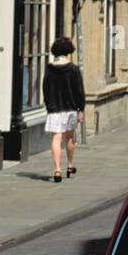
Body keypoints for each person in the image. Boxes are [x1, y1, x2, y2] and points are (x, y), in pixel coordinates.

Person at [43, 36, 85, 182]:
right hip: (70, 108)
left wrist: (49, 105)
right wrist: (81, 109)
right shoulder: (73, 69)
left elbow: (45, 88)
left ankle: (57, 170)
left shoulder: (49, 68)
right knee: (69, 138)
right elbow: (79, 90)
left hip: (54, 108)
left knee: (56, 138)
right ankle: (69, 165)